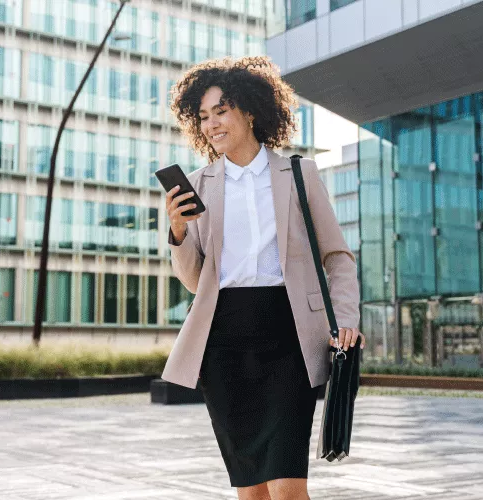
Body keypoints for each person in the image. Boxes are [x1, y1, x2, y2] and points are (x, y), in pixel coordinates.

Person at [162, 55, 365, 500]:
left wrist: (346, 317)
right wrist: (178, 233)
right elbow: (197, 282)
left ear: (250, 111)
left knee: (289, 488)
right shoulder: (198, 184)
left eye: (222, 111)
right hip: (223, 343)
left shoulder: (297, 173)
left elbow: (337, 256)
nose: (212, 124)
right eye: (204, 116)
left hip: (289, 337)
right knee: (251, 491)